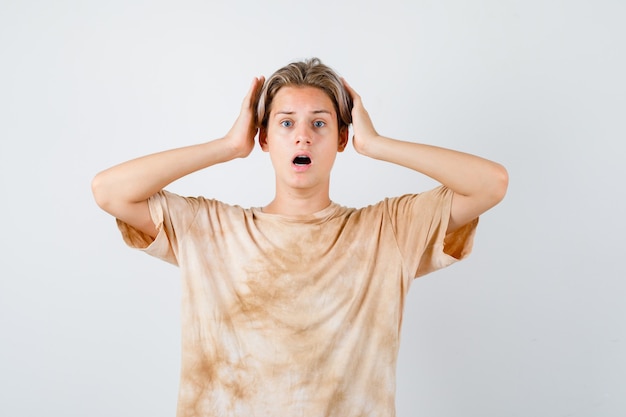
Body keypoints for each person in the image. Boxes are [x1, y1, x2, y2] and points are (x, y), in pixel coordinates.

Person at [92, 57, 508, 417]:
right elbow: (109, 191)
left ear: (343, 138)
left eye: (320, 124)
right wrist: (227, 145)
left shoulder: (388, 230)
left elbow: (490, 184)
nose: (302, 136)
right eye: (286, 122)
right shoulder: (211, 229)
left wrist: (378, 144)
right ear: (265, 138)